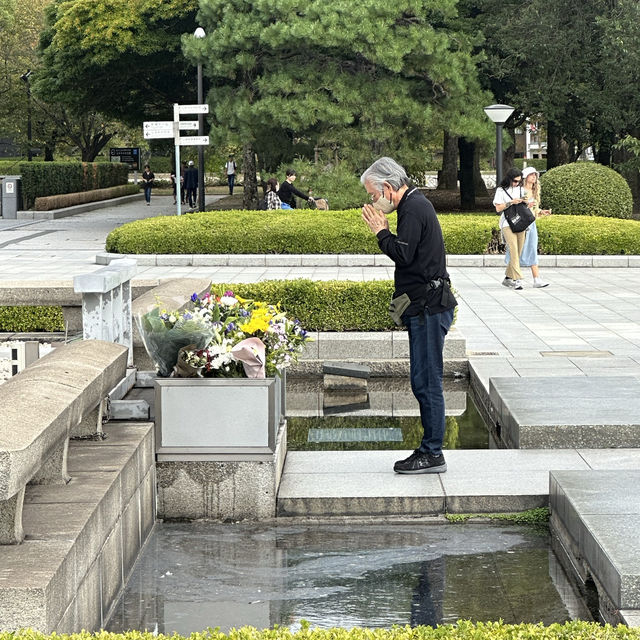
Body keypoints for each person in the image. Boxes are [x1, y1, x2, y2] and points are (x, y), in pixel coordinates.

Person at [361, 157, 457, 474]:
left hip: (430, 306)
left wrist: (381, 232)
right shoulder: (413, 205)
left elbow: (403, 254)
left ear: (387, 187)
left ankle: (432, 453)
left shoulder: (414, 207)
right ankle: (428, 449)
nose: (374, 202)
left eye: (374, 195)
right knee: (421, 381)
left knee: (427, 382)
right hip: (423, 305)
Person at [505, 166, 552, 288]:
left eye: (535, 175)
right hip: (521, 225)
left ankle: (536, 279)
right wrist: (526, 204)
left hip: (531, 225)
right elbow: (516, 208)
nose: (534, 177)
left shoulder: (535, 192)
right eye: (531, 175)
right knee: (519, 251)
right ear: (525, 177)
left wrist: (541, 212)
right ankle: (516, 278)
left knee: (532, 250)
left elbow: (534, 210)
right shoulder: (520, 191)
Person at [493, 167, 526, 290]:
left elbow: (526, 203)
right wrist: (511, 202)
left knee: (518, 252)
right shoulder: (501, 191)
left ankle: (508, 277)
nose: (517, 183)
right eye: (515, 181)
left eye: (519, 181)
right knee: (513, 250)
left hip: (521, 222)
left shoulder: (521, 190)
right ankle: (518, 279)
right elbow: (498, 208)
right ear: (509, 179)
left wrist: (527, 202)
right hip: (507, 223)